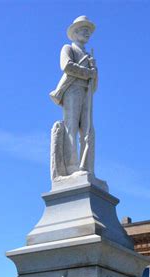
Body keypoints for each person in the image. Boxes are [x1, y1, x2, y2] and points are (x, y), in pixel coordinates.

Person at [50, 16, 97, 175]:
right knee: (71, 127)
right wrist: (87, 72)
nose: (87, 32)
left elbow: (94, 82)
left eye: (88, 30)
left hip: (86, 92)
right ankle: (72, 166)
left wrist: (94, 72)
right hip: (73, 89)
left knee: (88, 130)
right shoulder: (68, 48)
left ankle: (87, 167)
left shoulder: (89, 56)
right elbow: (67, 66)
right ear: (75, 32)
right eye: (84, 29)